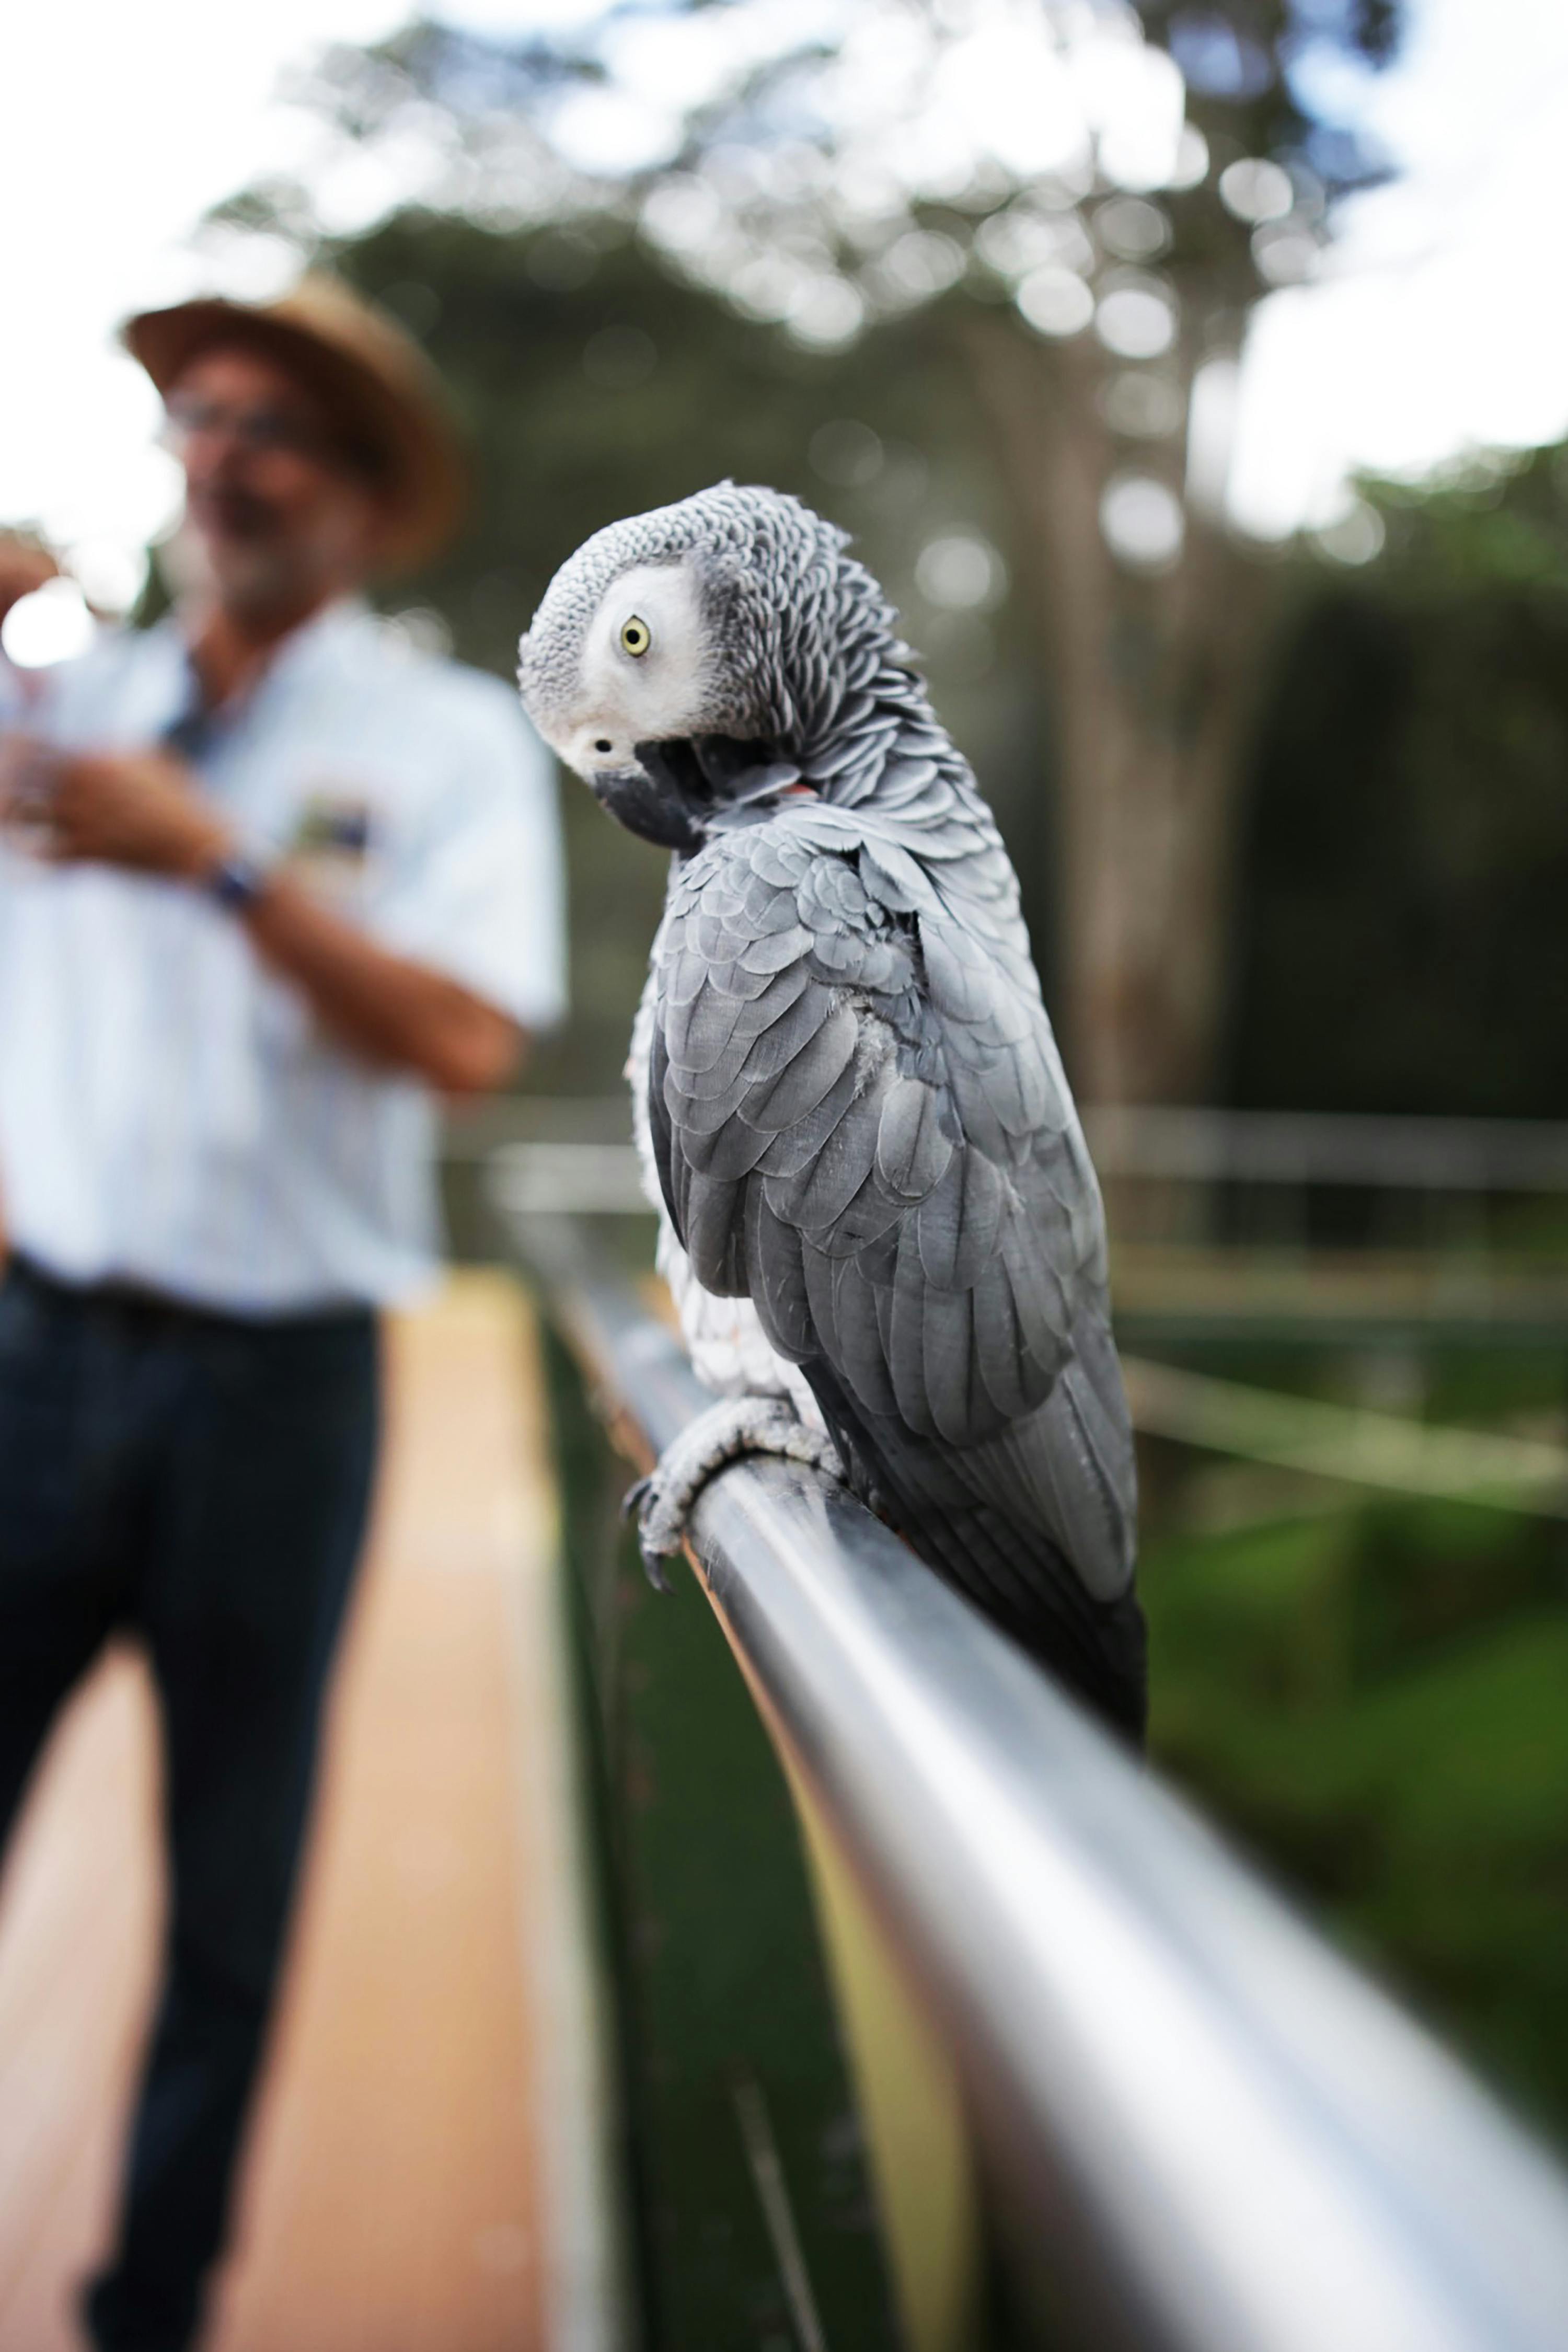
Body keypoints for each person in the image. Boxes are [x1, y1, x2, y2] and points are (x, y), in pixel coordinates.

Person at [0, 277, 565, 2351]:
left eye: (278, 432)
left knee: (231, 1903)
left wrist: (222, 870)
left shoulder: (440, 745)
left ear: (359, 496)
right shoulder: (61, 710)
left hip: (280, 1389)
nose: (226, 457)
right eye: (202, 419)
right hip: (38, 1355)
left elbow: (464, 1037)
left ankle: (147, 2307)